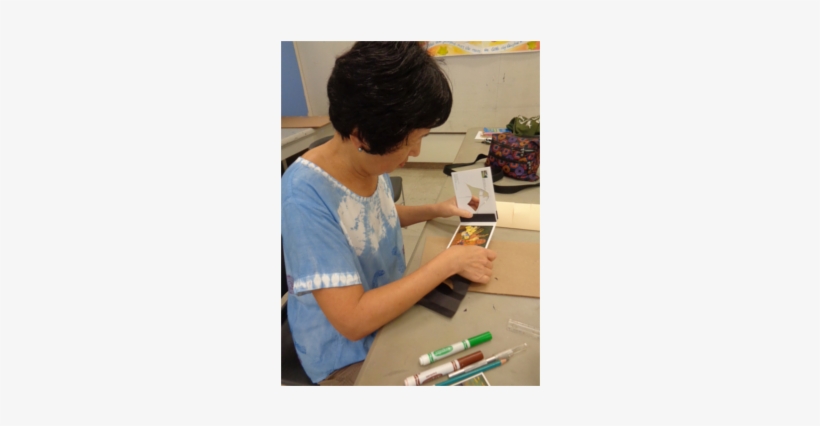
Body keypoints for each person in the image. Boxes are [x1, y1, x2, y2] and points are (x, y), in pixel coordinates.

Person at [281, 42, 496, 385]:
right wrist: (448, 262)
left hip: (389, 315)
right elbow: (352, 320)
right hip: (346, 353)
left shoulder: (366, 159)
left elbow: (373, 217)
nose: (416, 152)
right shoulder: (303, 197)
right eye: (410, 141)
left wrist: (435, 209)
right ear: (362, 136)